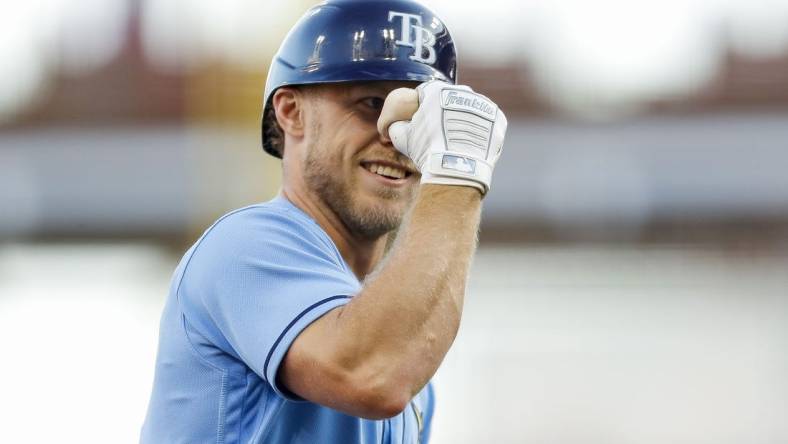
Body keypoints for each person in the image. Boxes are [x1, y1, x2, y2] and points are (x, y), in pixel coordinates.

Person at [140, 0, 507, 442]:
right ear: (291, 112)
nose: (396, 136)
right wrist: (457, 172)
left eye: (416, 117)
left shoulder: (406, 352)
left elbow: (386, 360)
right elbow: (372, 374)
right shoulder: (243, 247)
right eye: (372, 103)